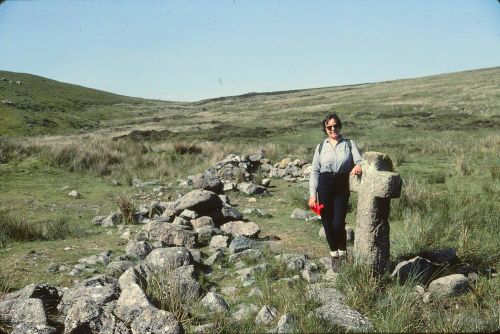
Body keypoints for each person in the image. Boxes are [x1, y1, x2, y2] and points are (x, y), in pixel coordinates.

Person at [308, 113, 362, 272]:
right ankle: (334, 256)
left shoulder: (350, 144)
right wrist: (312, 195)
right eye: (329, 127)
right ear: (325, 129)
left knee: (338, 223)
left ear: (340, 126)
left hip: (341, 187)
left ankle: (343, 252)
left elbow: (359, 160)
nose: (333, 129)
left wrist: (358, 165)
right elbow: (315, 173)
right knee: (327, 223)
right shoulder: (320, 147)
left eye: (335, 125)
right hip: (324, 187)